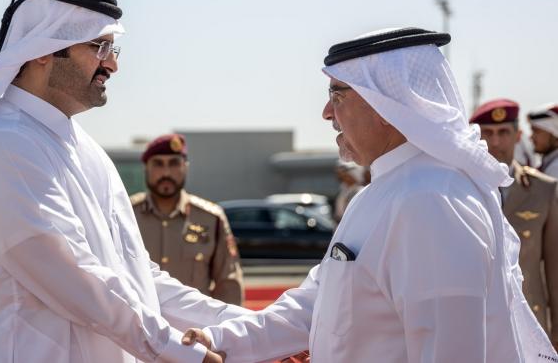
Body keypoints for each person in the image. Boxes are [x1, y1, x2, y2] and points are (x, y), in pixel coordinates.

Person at [0, 0, 250, 363]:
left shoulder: (82, 149)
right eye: (99, 47)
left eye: (114, 49)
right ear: (43, 49)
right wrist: (179, 351)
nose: (112, 64)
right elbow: (75, 277)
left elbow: (137, 277)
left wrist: (254, 332)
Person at [181, 27, 556, 362]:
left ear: (386, 105)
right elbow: (318, 304)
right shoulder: (383, 193)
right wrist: (221, 340)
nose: (326, 112)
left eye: (337, 94)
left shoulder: (432, 201)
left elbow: (449, 351)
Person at [471, 99, 558, 345]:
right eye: (488, 133)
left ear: (518, 136)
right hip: (477, 327)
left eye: (503, 132)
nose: (495, 142)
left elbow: (555, 269)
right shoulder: (459, 188)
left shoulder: (543, 189)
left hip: (529, 327)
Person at [131, 133, 244, 305]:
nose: (166, 172)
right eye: (158, 164)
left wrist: (227, 321)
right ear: (146, 168)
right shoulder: (125, 215)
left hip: (194, 322)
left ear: (185, 167)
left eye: (174, 163)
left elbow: (228, 283)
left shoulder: (211, 218)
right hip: (138, 321)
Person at [528, 103, 558, 179]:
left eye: (536, 131)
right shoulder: (549, 164)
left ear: (554, 134)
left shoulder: (555, 169)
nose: (531, 137)